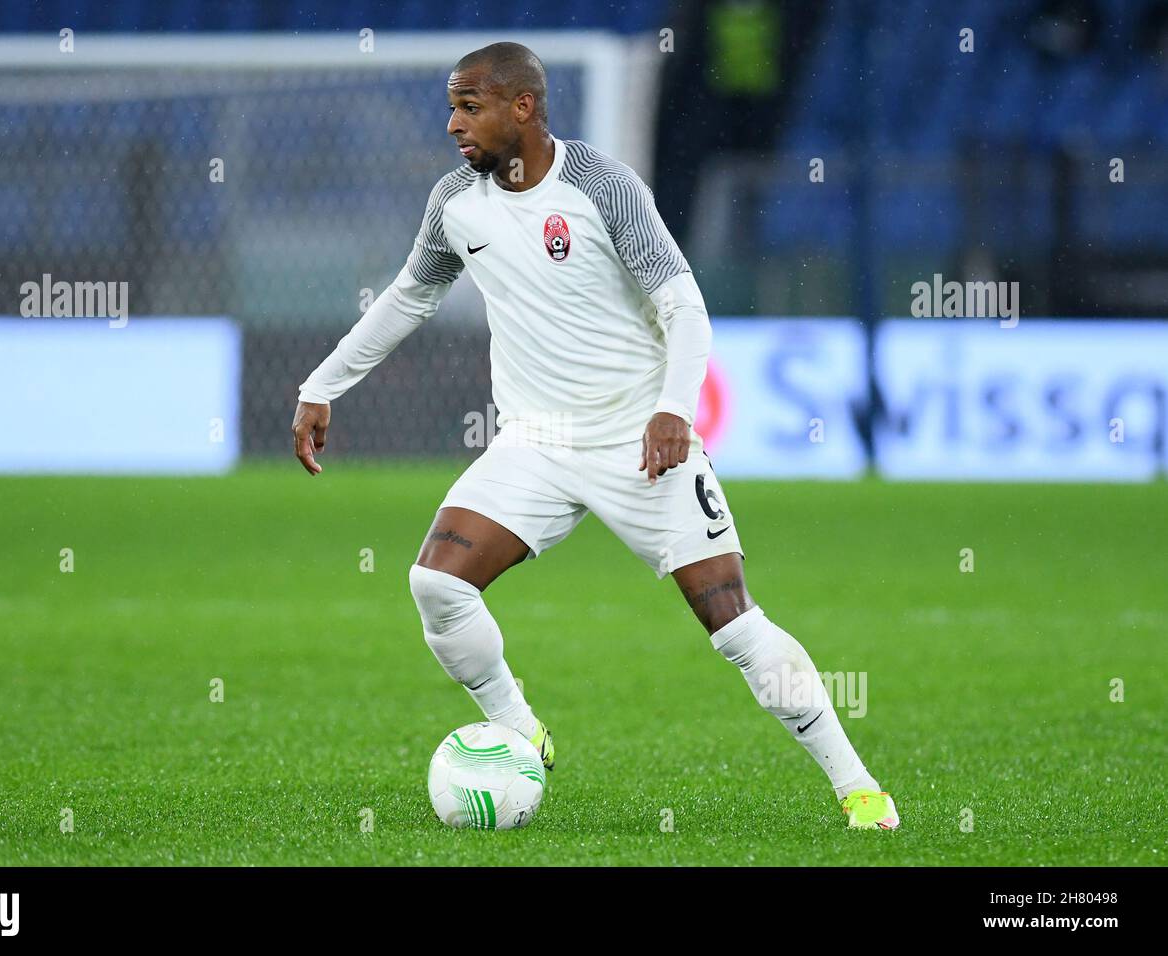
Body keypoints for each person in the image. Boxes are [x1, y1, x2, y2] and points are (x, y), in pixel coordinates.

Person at [292, 42, 898, 830]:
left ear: (524, 108)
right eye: (451, 106)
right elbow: (409, 297)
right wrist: (322, 385)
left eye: (469, 107)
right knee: (437, 584)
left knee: (733, 624)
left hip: (638, 442)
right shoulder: (456, 202)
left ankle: (858, 788)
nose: (453, 125)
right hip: (534, 442)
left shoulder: (601, 186)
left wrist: (674, 410)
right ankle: (520, 730)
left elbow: (684, 307)